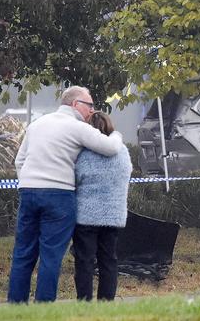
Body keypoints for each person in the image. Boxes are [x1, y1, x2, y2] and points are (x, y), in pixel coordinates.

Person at [9, 86, 123, 303]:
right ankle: (44, 309)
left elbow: (19, 160)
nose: (92, 111)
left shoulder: (37, 124)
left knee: (23, 253)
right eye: (89, 105)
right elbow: (110, 148)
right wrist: (116, 134)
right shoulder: (77, 127)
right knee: (50, 256)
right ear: (75, 104)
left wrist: (27, 183)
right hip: (59, 196)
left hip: (29, 192)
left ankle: (16, 307)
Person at [72, 112, 132, 301]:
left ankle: (84, 302)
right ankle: (106, 303)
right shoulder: (122, 151)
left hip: (86, 217)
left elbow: (75, 179)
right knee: (109, 261)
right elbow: (127, 174)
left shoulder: (83, 154)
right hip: (113, 216)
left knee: (84, 262)